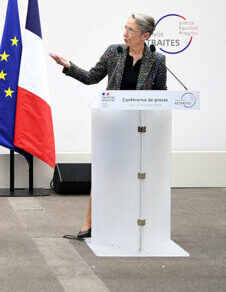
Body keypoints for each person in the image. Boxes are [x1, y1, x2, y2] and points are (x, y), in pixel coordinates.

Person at [49, 13, 167, 239]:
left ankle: (130, 223)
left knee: (135, 177)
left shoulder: (157, 60)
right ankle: (89, 224)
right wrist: (68, 65)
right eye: (125, 28)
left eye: (130, 30)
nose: (125, 33)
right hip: (113, 125)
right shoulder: (115, 52)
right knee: (104, 173)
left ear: (145, 35)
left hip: (140, 129)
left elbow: (160, 96)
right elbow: (91, 77)